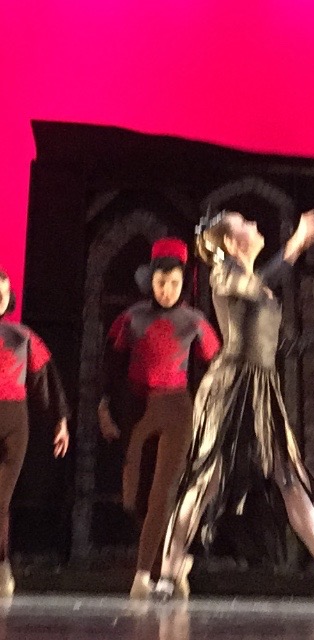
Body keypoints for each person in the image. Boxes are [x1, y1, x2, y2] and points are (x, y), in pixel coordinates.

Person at [153, 206, 314, 603]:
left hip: (262, 390)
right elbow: (255, 284)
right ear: (229, 242)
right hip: (229, 387)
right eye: (245, 223)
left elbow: (281, 347)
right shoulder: (224, 275)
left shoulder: (258, 288)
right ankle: (169, 573)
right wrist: (296, 243)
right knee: (206, 479)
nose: (255, 225)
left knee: (291, 479)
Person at [98, 238, 221, 598]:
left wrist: (214, 410)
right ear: (150, 281)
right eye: (161, 283)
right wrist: (104, 407)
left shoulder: (195, 321)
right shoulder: (130, 319)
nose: (167, 290)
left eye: (174, 283)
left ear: (184, 284)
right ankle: (170, 564)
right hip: (138, 410)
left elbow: (218, 366)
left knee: (162, 494)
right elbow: (110, 367)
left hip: (177, 410)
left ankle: (143, 577)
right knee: (134, 496)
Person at [0, 267, 69, 595]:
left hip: (14, 422)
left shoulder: (22, 336)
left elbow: (45, 380)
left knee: (1, 498)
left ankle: (2, 567)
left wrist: (60, 421)